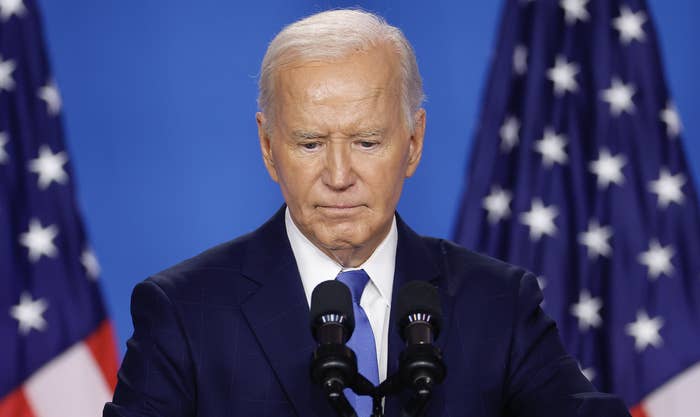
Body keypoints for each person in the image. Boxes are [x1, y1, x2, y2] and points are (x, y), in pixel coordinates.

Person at [103, 9, 630, 417]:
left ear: (414, 142)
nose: (338, 175)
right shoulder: (185, 310)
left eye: (367, 141)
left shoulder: (498, 304)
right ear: (267, 147)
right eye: (310, 143)